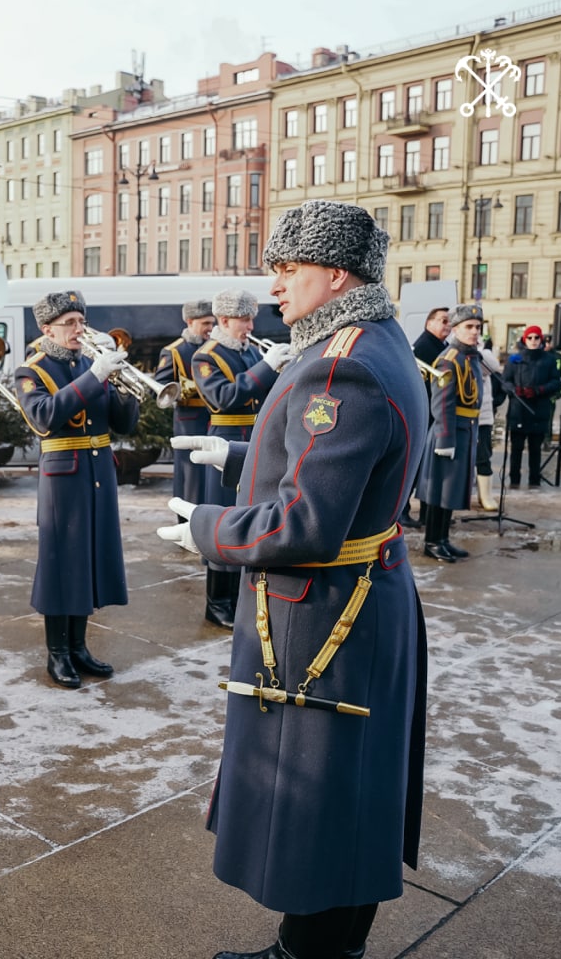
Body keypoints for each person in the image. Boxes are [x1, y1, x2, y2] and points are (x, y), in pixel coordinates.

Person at [157, 200, 427, 959]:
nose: (274, 285)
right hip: (367, 594)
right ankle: (327, 945)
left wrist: (208, 530)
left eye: (288, 269)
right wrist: (240, 462)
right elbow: (348, 477)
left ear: (335, 274)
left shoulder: (341, 363)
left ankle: (307, 951)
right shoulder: (375, 341)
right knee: (356, 789)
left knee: (320, 798)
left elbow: (304, 523)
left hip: (325, 615)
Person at [15, 291, 140, 688]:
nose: (78, 329)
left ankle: (79, 646)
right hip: (63, 477)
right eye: (69, 322)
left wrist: (122, 384)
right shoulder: (31, 370)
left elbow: (123, 424)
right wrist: (96, 376)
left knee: (89, 560)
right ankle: (57, 652)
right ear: (47, 328)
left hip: (99, 470)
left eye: (81, 320)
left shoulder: (91, 362)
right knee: (61, 564)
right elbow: (44, 416)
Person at [190, 290, 289, 629]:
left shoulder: (249, 352)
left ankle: (237, 599)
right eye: (244, 320)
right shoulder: (206, 357)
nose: (250, 326)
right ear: (224, 321)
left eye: (251, 319)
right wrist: (266, 367)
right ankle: (216, 603)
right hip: (225, 442)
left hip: (254, 441)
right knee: (224, 517)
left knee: (248, 515)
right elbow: (224, 398)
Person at [416, 305, 483, 562]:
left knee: (451, 491)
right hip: (449, 432)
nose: (475, 332)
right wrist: (445, 438)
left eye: (477, 327)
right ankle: (432, 541)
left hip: (464, 430)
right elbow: (441, 401)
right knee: (439, 492)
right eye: (469, 327)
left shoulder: (470, 357)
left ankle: (443, 538)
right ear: (455, 329)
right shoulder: (449, 359)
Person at [153, 299, 215, 507]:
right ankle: (187, 522)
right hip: (190, 421)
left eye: (212, 323)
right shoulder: (174, 351)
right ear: (190, 321)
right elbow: (159, 386)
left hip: (215, 418)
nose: (210, 328)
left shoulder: (216, 347)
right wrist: (181, 391)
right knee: (192, 478)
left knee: (214, 474)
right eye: (205, 323)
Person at [402, 307, 452, 528]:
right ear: (429, 323)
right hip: (426, 412)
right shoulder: (424, 346)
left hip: (433, 412)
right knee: (414, 467)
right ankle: (402, 510)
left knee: (425, 468)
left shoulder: (441, 346)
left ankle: (424, 512)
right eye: (443, 321)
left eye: (449, 322)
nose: (447, 325)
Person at [502, 324, 561, 488]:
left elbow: (556, 382)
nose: (533, 341)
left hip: (538, 411)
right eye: (530, 337)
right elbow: (505, 381)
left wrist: (539, 390)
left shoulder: (549, 360)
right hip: (518, 411)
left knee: (535, 450)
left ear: (541, 339)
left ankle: (534, 481)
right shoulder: (515, 360)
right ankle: (514, 481)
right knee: (516, 450)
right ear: (524, 339)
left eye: (536, 337)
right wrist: (515, 390)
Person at [474, 326, 503, 511]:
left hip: (483, 417)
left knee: (483, 456)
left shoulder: (482, 354)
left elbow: (493, 367)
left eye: (476, 328)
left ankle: (485, 496)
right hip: (462, 416)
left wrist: (478, 349)